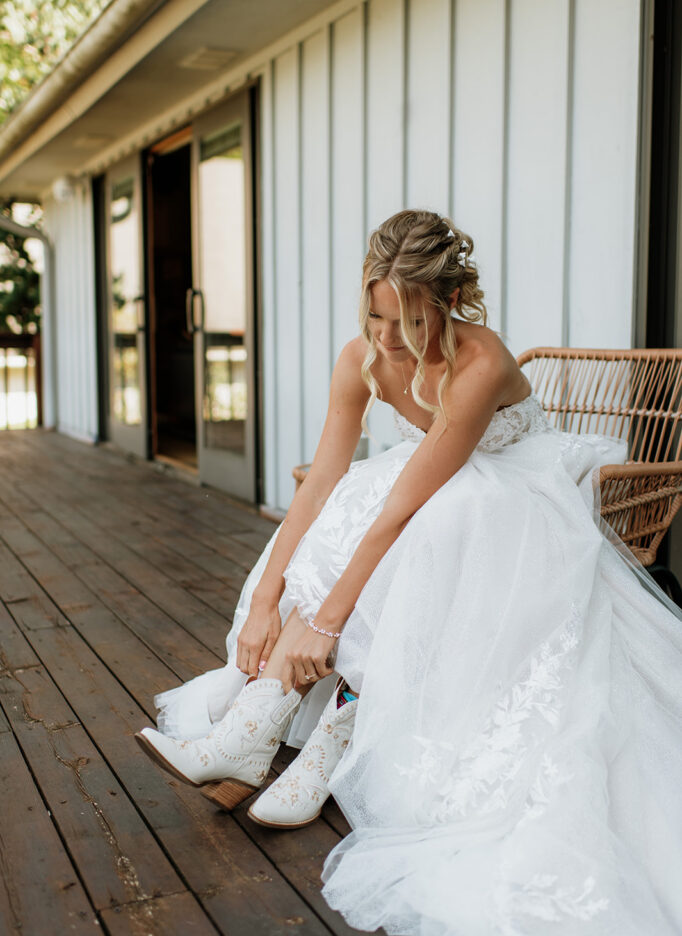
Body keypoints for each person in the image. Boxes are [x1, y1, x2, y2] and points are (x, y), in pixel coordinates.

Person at [136, 210, 682, 935]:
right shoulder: (361, 356)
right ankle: (260, 722)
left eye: (409, 322)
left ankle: (332, 718)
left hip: (516, 503)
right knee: (360, 495)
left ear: (451, 302)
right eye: (375, 316)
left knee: (424, 515)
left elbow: (405, 507)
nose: (387, 340)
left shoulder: (482, 361)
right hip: (429, 498)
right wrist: (269, 596)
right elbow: (322, 478)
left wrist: (327, 619)